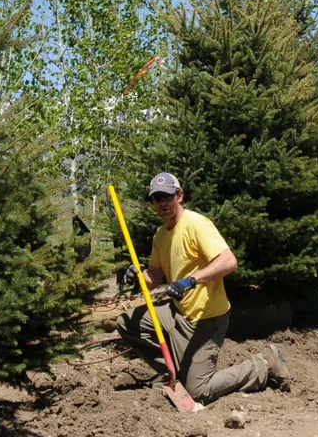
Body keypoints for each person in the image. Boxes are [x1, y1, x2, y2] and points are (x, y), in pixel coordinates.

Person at [116, 172, 291, 405]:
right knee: (127, 322)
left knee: (199, 392)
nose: (162, 203)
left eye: (167, 197)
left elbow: (229, 261)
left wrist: (191, 280)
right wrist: (139, 276)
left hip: (205, 320)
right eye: (157, 198)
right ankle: (174, 373)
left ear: (179, 196)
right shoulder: (161, 235)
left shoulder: (196, 224)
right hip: (177, 311)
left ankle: (263, 364)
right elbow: (155, 276)